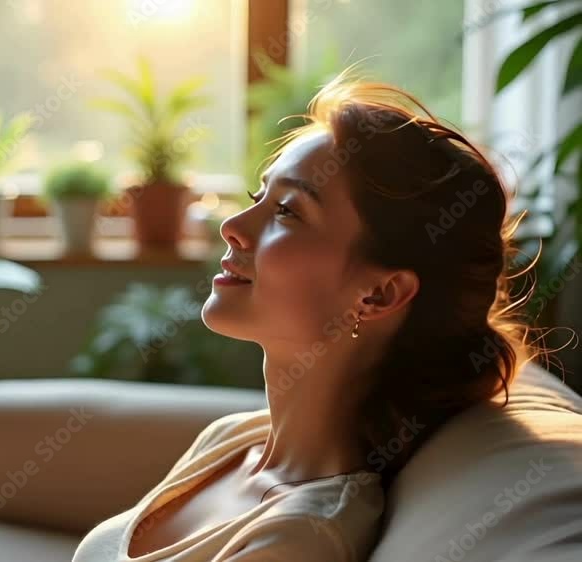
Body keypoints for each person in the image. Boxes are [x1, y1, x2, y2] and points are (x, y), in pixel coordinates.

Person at [71, 68, 540, 561]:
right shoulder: (234, 439)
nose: (232, 226)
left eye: (287, 212)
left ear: (380, 294)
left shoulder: (298, 540)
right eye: (258, 198)